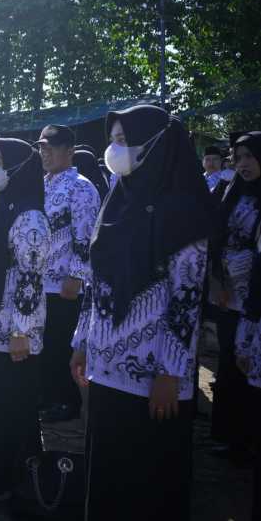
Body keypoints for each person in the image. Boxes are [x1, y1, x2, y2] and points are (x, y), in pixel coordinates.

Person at [70, 104, 213, 521]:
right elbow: (95, 279)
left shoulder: (184, 212)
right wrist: (82, 342)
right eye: (112, 140)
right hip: (106, 364)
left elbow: (186, 298)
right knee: (109, 472)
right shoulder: (117, 201)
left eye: (123, 140)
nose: (114, 149)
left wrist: (171, 372)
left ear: (153, 146)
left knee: (147, 479)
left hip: (154, 376)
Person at [0, 138, 50, 502]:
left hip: (11, 334)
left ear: (19, 168)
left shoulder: (30, 217)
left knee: (7, 410)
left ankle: (6, 481)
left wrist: (22, 331)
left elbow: (31, 278)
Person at [36, 123, 100, 423]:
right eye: (42, 148)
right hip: (40, 282)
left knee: (63, 344)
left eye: (51, 148)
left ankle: (67, 401)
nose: (45, 153)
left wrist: (76, 276)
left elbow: (85, 236)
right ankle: (48, 396)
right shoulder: (42, 184)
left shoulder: (81, 187)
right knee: (46, 345)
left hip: (64, 283)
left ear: (70, 151)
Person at [210, 132, 261, 465]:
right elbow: (214, 237)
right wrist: (217, 280)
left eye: (250, 157)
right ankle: (231, 438)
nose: (243, 164)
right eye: (238, 157)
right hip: (228, 294)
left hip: (256, 299)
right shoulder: (230, 191)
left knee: (251, 366)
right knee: (229, 363)